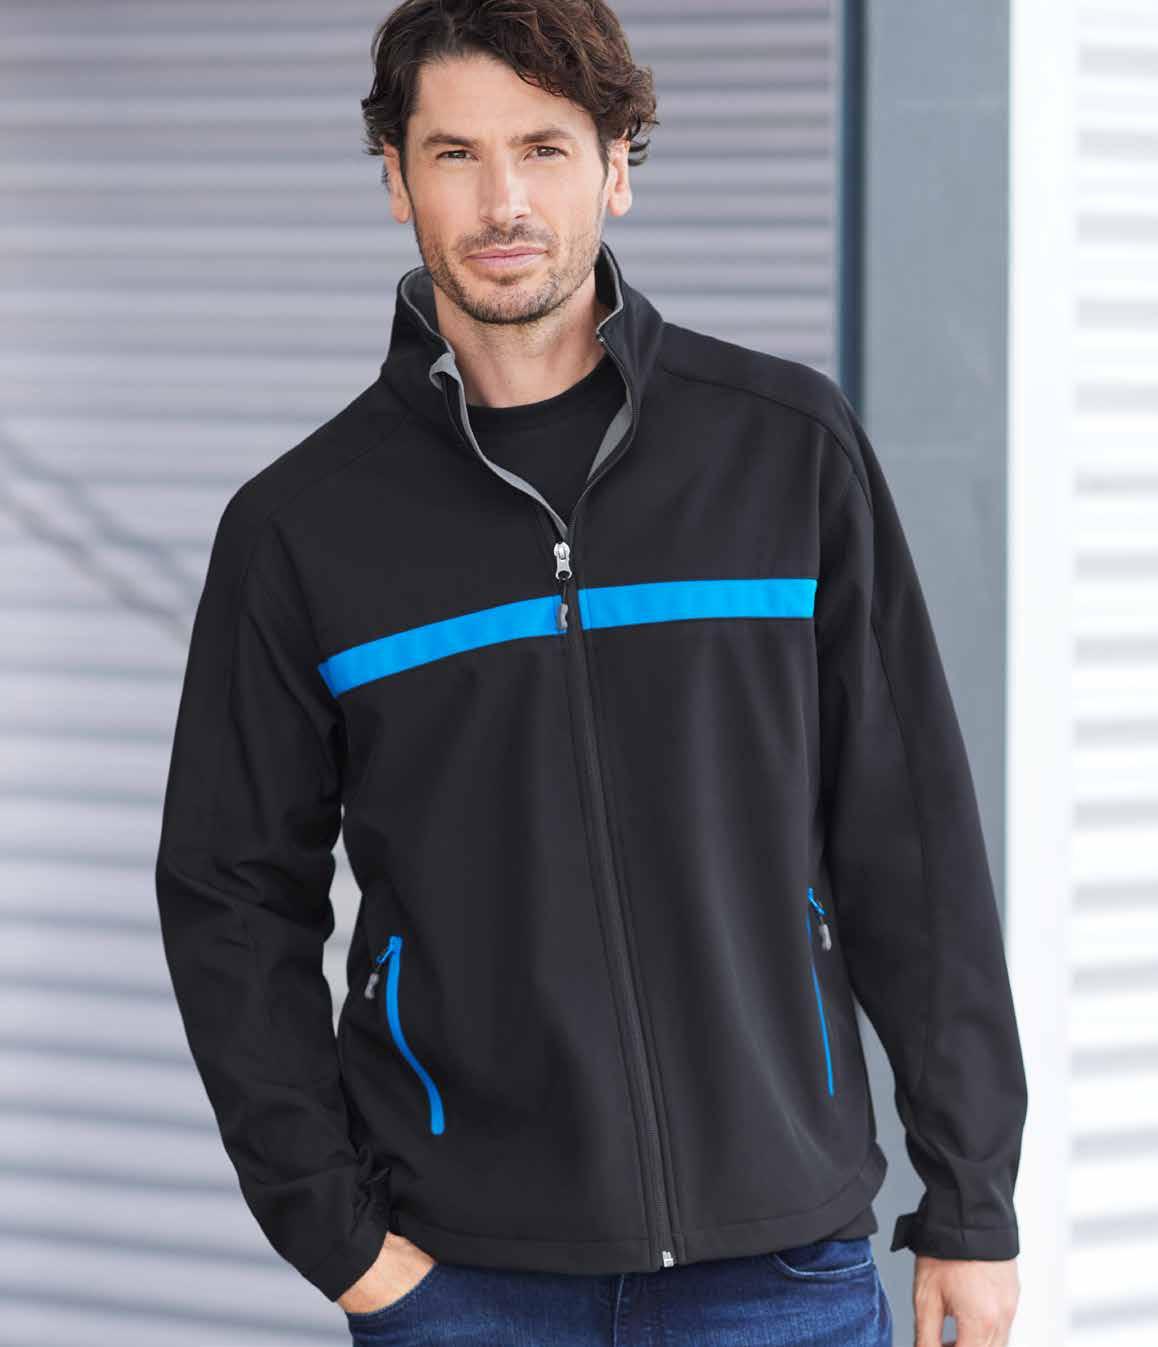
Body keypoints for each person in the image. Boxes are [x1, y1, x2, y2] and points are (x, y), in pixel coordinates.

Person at [153, 2, 1027, 1344]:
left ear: (618, 164)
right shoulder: (301, 529)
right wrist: (340, 1240)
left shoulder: (784, 451)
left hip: (778, 1270)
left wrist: (969, 1199)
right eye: (455, 155)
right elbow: (229, 896)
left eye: (544, 148)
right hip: (466, 1281)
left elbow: (909, 833)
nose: (503, 201)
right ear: (395, 179)